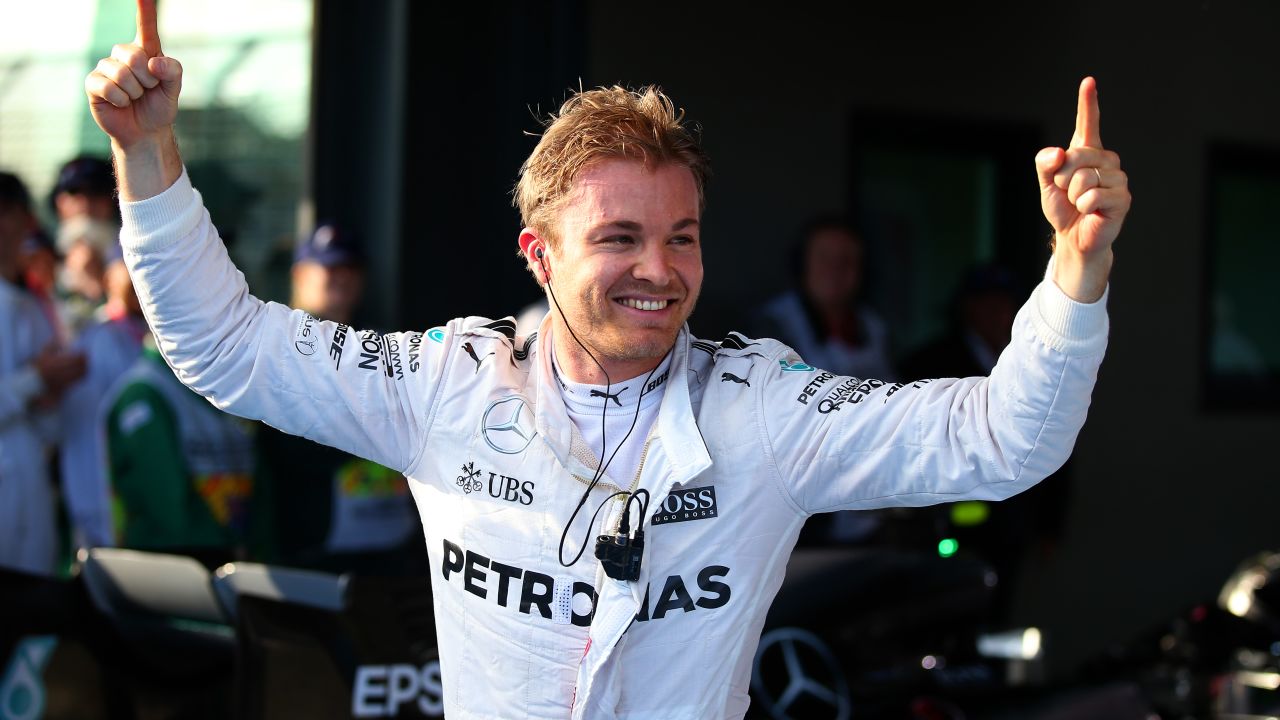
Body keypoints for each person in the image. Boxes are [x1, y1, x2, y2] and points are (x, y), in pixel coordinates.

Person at [86, 3, 1129, 717]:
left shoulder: (760, 407)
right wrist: (148, 157)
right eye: (619, 239)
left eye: (680, 237)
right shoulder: (448, 385)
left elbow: (1004, 441)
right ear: (538, 255)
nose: (659, 270)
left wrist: (1075, 270)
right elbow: (223, 345)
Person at [256, 223, 421, 574]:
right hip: (314, 551)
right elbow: (288, 446)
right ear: (300, 275)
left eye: (350, 268)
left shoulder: (383, 344)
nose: (341, 278)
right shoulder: (281, 346)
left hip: (389, 550)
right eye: (329, 268)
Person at [101, 331, 258, 567]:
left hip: (232, 559)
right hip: (171, 567)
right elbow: (165, 499)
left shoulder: (231, 384)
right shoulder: (144, 393)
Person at [0, 171, 86, 575]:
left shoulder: (35, 305)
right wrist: (36, 377)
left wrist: (52, 389)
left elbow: (47, 424)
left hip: (29, 500)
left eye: (9, 212)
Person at [58, 244, 149, 550]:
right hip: (110, 522)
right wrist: (100, 522)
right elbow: (86, 439)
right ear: (109, 277)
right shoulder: (96, 341)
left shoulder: (163, 339)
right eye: (131, 268)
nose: (143, 277)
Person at [752, 216, 896, 382]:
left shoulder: (874, 326)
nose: (835, 269)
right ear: (802, 264)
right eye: (824, 258)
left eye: (847, 260)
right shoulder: (773, 325)